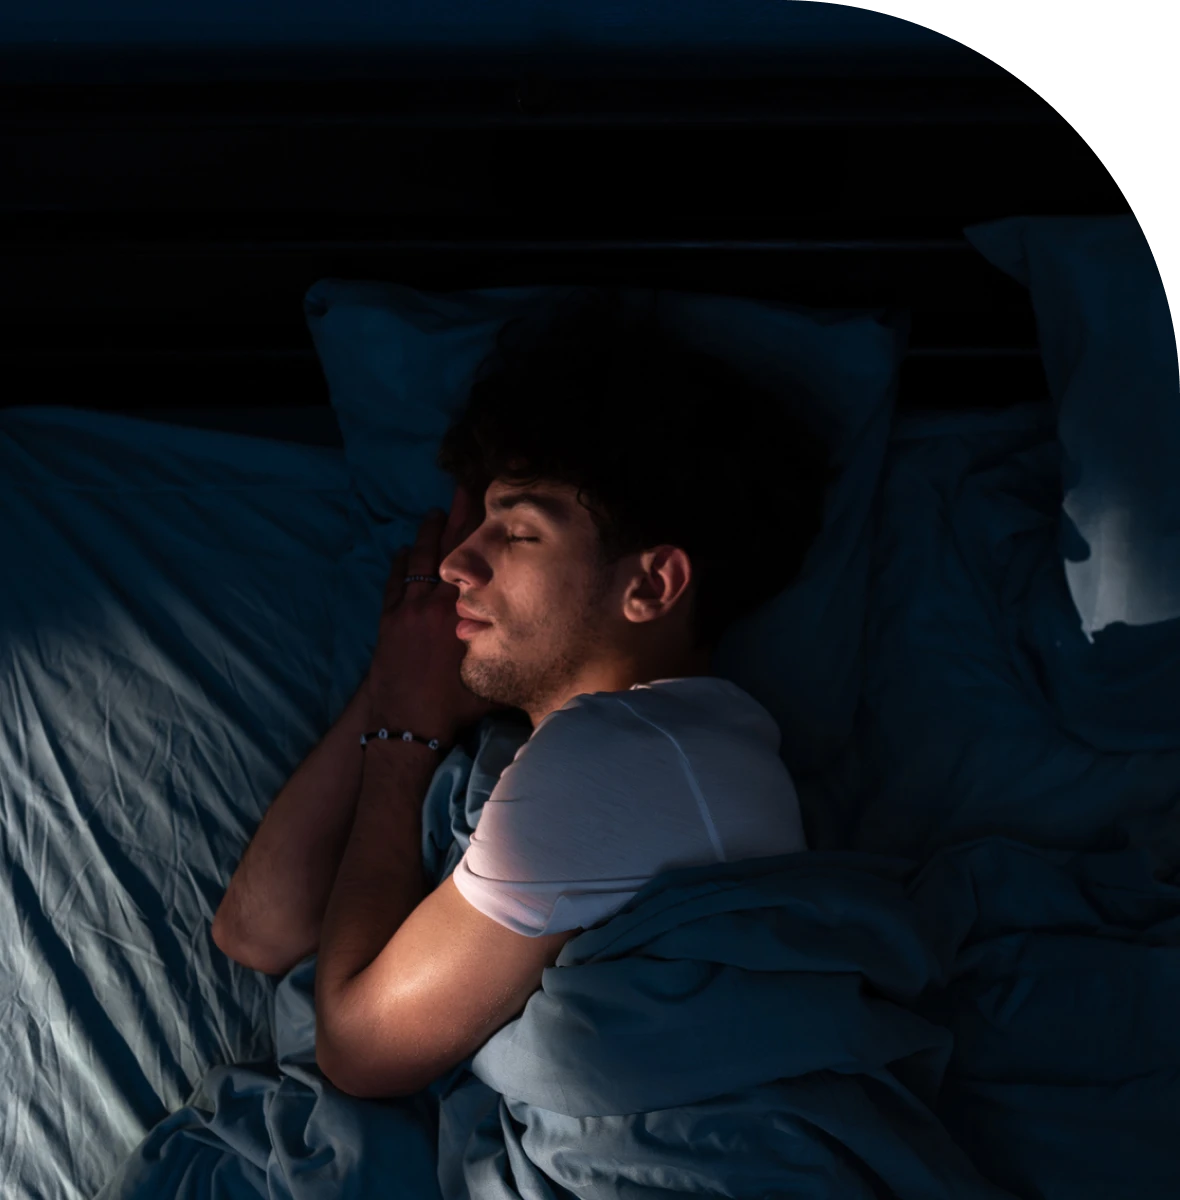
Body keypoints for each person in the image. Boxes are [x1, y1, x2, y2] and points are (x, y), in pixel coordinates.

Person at [211, 292, 830, 1095]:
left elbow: (360, 1051)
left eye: (519, 530)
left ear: (651, 583)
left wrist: (401, 738)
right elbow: (256, 930)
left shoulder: (631, 757)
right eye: (474, 529)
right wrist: (396, 687)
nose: (456, 568)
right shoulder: (542, 748)